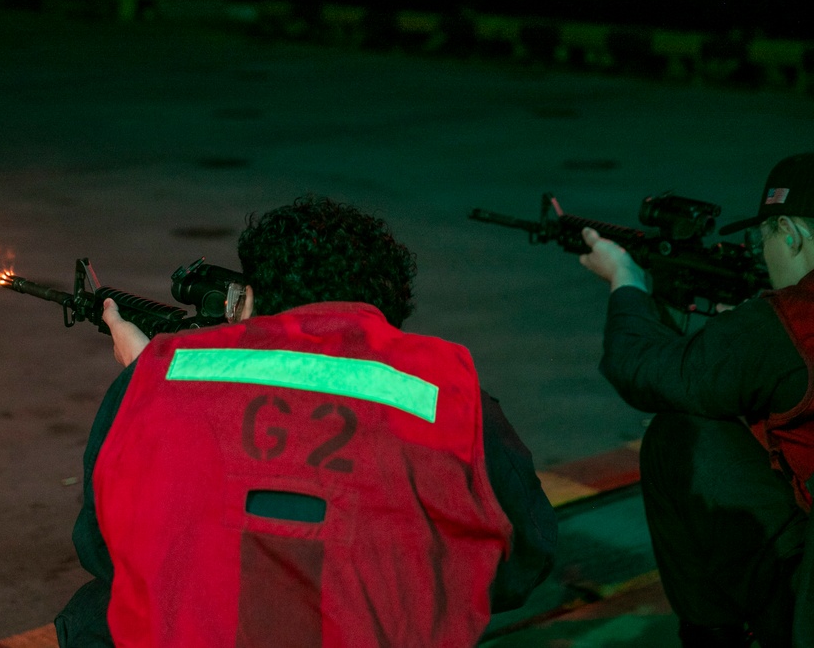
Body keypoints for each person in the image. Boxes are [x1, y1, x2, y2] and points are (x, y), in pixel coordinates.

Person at [54, 195, 556, 646]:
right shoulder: (449, 392)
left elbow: (101, 545)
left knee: (97, 613)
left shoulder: (163, 373)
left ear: (251, 297)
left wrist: (148, 380)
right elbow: (524, 558)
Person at [578, 153, 814, 648]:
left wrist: (626, 282)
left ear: (790, 234)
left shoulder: (791, 320)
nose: (763, 256)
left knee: (678, 436)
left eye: (764, 240)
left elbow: (642, 369)